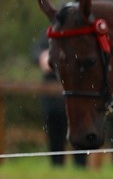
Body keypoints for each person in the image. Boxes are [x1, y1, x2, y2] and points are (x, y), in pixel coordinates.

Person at [31, 37, 86, 169]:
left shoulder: (80, 35)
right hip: (53, 99)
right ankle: (56, 164)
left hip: (76, 94)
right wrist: (41, 56)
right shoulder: (49, 35)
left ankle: (80, 166)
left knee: (79, 132)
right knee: (55, 132)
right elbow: (35, 51)